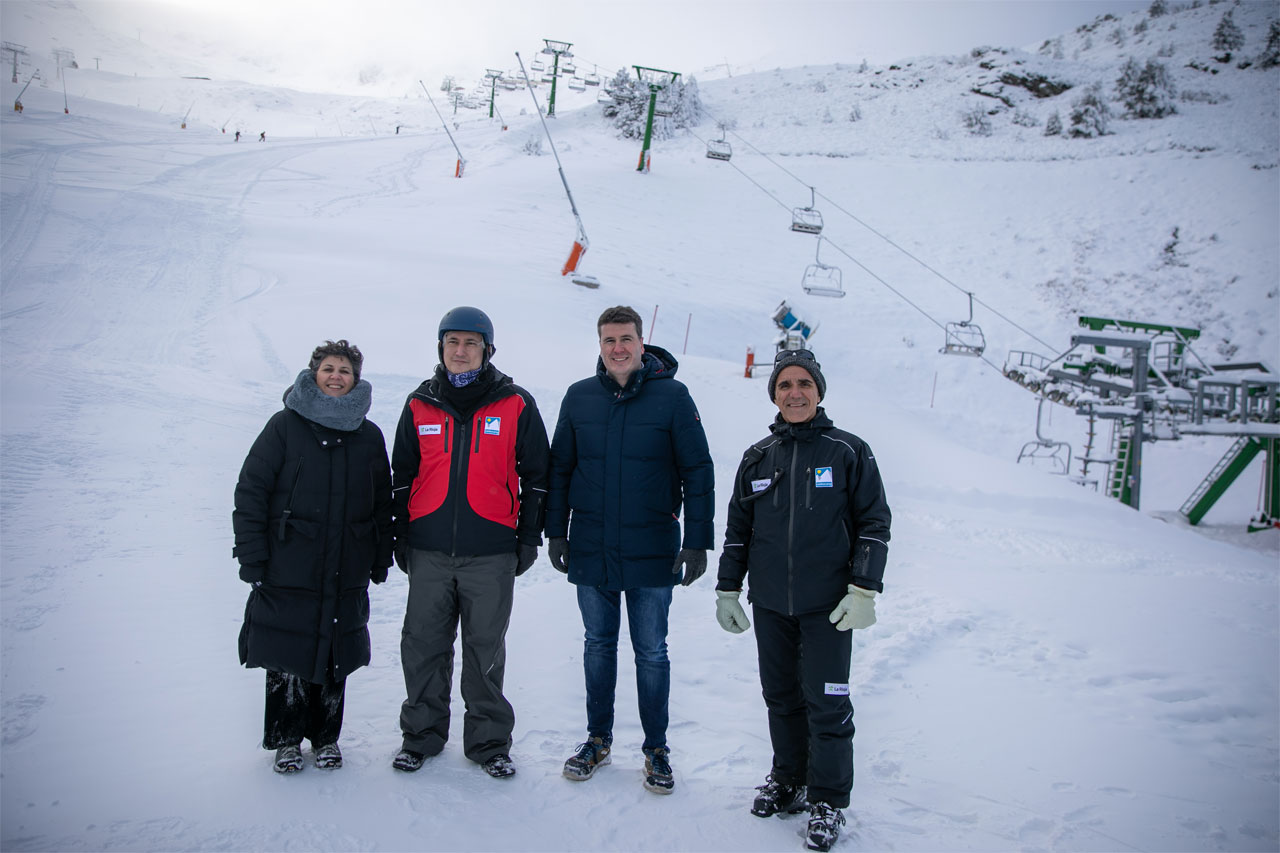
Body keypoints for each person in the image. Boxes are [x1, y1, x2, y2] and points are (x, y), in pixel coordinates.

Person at [714, 349, 891, 852]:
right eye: (785, 385)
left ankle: (829, 799)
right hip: (771, 604)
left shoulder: (849, 451)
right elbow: (737, 532)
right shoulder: (757, 457)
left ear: (818, 391)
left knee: (828, 704)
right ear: (774, 393)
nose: (795, 393)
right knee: (782, 698)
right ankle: (789, 780)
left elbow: (875, 523)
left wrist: (864, 587)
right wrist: (728, 588)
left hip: (829, 608)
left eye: (804, 384)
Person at [546, 305, 714, 795]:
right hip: (593, 546)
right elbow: (560, 470)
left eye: (625, 339)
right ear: (599, 346)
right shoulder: (579, 397)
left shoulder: (674, 397)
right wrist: (557, 532)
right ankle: (598, 740)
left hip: (652, 549)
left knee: (651, 651)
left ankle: (656, 748)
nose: (617, 348)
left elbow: (698, 471)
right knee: (598, 646)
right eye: (608, 340)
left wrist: (698, 541)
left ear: (642, 343)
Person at [390, 307, 550, 778]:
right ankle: (421, 736)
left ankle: (489, 743)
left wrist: (527, 538)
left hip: (491, 553)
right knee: (423, 646)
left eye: (471, 343)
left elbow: (537, 478)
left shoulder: (515, 403)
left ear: (487, 349)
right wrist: (402, 534)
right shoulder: (420, 404)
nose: (461, 351)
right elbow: (402, 476)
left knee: (485, 650)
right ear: (441, 347)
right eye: (452, 342)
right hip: (430, 549)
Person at [233, 340, 392, 774]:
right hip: (289, 563)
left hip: (346, 564)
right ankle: (286, 739)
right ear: (313, 373)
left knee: (334, 653)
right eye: (328, 368)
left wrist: (380, 556)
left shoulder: (368, 434)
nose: (336, 376)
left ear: (355, 380)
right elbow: (251, 493)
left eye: (344, 370)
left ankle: (325, 738)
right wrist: (252, 556)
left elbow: (382, 504)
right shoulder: (284, 426)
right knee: (286, 653)